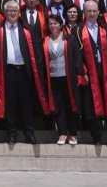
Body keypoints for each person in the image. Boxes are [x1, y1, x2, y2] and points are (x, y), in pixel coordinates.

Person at [0, 0, 47, 145]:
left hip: (24, 71)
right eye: (10, 10)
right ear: (5, 12)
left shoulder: (27, 29)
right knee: (10, 104)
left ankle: (29, 133)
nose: (13, 13)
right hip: (7, 72)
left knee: (26, 103)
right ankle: (12, 133)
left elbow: (37, 52)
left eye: (15, 10)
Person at [76, 0, 107, 146]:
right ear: (84, 13)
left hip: (106, 71)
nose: (92, 14)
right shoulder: (78, 29)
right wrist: (83, 71)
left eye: (94, 11)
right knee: (91, 105)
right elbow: (76, 54)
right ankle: (96, 137)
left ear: (98, 12)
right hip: (89, 72)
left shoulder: (105, 28)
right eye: (89, 11)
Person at [42, 13, 82, 146]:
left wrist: (79, 74)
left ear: (61, 25)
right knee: (58, 107)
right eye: (51, 24)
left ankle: (73, 134)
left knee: (71, 106)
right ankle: (62, 133)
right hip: (53, 78)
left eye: (55, 23)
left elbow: (77, 58)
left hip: (68, 77)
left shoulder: (69, 39)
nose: (53, 26)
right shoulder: (46, 40)